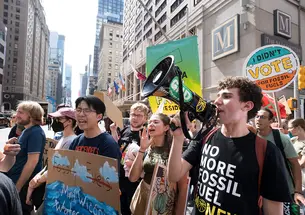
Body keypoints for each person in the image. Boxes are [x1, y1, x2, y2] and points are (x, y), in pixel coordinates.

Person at [168, 77, 291, 215]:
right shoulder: (205, 136)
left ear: (247, 106)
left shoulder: (267, 152)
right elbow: (174, 176)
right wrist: (178, 139)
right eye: (218, 96)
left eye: (226, 96)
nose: (216, 102)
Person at [129, 113, 188, 214]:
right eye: (149, 122)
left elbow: (183, 187)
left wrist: (179, 211)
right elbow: (133, 178)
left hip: (163, 202)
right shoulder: (147, 148)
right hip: (143, 198)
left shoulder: (175, 150)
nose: (151, 124)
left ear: (166, 127)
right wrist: (142, 149)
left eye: (156, 122)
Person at [25, 107, 77, 211]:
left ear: (69, 121)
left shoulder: (71, 141)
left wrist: (35, 183)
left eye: (59, 119)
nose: (55, 122)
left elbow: (58, 168)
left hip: (58, 192)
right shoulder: (63, 138)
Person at [256, 108, 305, 206]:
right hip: (261, 192)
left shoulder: (280, 138)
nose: (258, 119)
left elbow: (295, 165)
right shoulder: (252, 137)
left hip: (284, 191)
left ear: (270, 121)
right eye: (257, 116)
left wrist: (297, 191)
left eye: (262, 117)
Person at [5, 101, 46, 215]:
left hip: (22, 186)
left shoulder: (35, 133)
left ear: (32, 116)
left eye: (21, 112)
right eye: (17, 112)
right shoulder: (27, 131)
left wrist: (18, 187)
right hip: (15, 180)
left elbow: (32, 162)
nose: (17, 115)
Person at [110, 102, 149, 215]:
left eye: (139, 115)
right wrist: (113, 131)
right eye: (133, 114)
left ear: (145, 118)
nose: (135, 118)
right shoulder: (125, 130)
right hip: (119, 179)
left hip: (136, 182)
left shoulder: (147, 134)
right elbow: (116, 146)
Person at [69, 95, 121, 160]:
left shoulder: (109, 144)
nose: (81, 114)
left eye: (87, 111)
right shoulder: (76, 142)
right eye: (78, 110)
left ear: (99, 116)